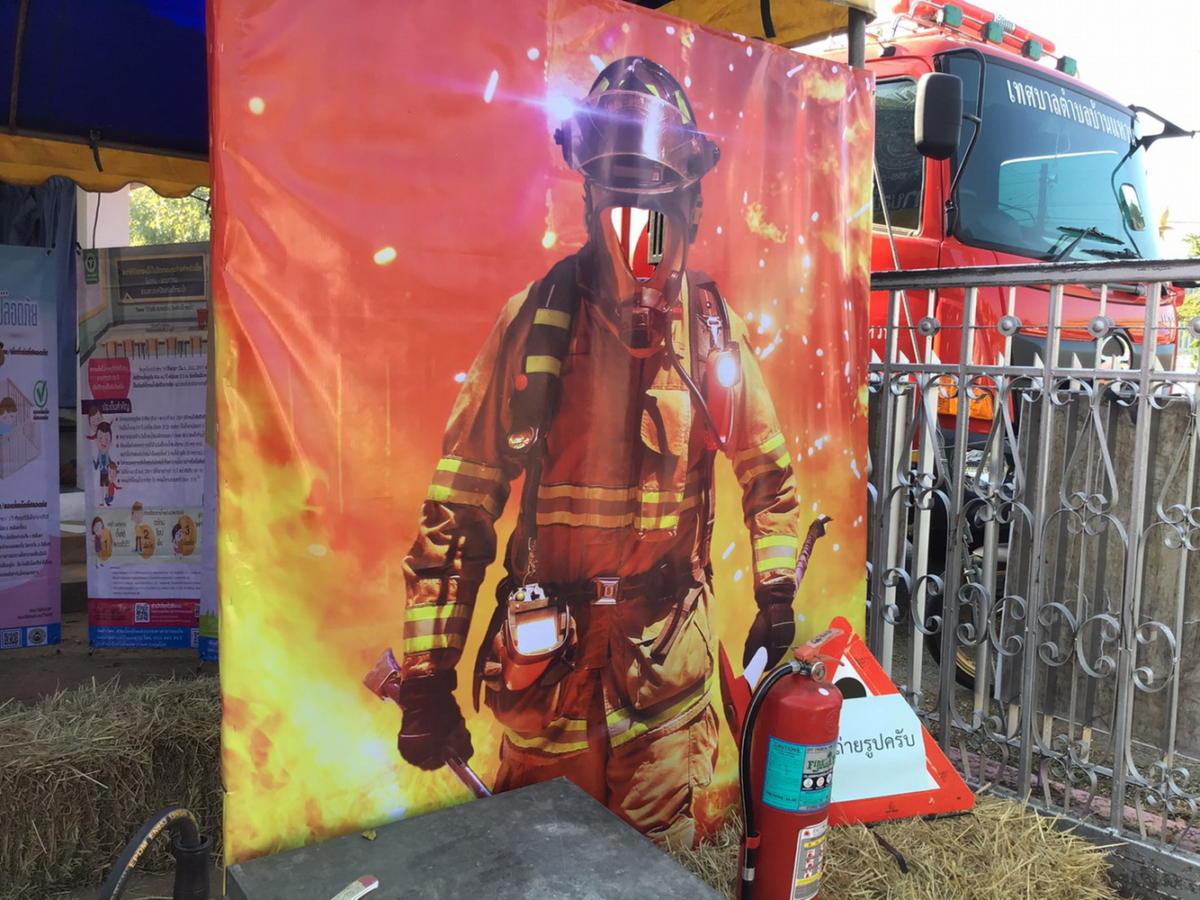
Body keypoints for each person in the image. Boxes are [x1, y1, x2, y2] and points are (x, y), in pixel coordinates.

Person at [394, 57, 800, 849]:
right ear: (587, 196)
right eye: (617, 189)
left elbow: (769, 478)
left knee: (657, 881)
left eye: (655, 194)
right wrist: (428, 677)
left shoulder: (710, 330)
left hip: (666, 695)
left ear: (691, 204)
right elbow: (460, 509)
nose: (635, 219)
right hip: (550, 688)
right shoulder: (535, 323)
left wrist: (776, 594)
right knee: (537, 874)